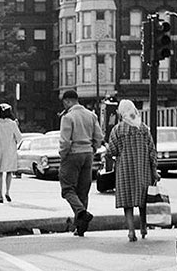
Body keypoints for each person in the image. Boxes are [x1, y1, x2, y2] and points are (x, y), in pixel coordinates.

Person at [105, 99, 159, 242]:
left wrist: (107, 151)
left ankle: (131, 231)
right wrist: (154, 170)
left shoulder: (117, 129)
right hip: (143, 169)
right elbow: (152, 150)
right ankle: (143, 227)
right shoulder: (143, 128)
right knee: (143, 199)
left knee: (127, 201)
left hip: (124, 170)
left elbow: (112, 151)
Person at [58, 89, 104, 236]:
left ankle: (81, 212)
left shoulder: (68, 117)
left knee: (67, 189)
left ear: (67, 101)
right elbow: (99, 136)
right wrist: (93, 149)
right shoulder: (91, 115)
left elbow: (65, 141)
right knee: (83, 191)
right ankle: (81, 228)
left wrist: (63, 155)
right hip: (88, 154)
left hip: (73, 153)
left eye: (64, 103)